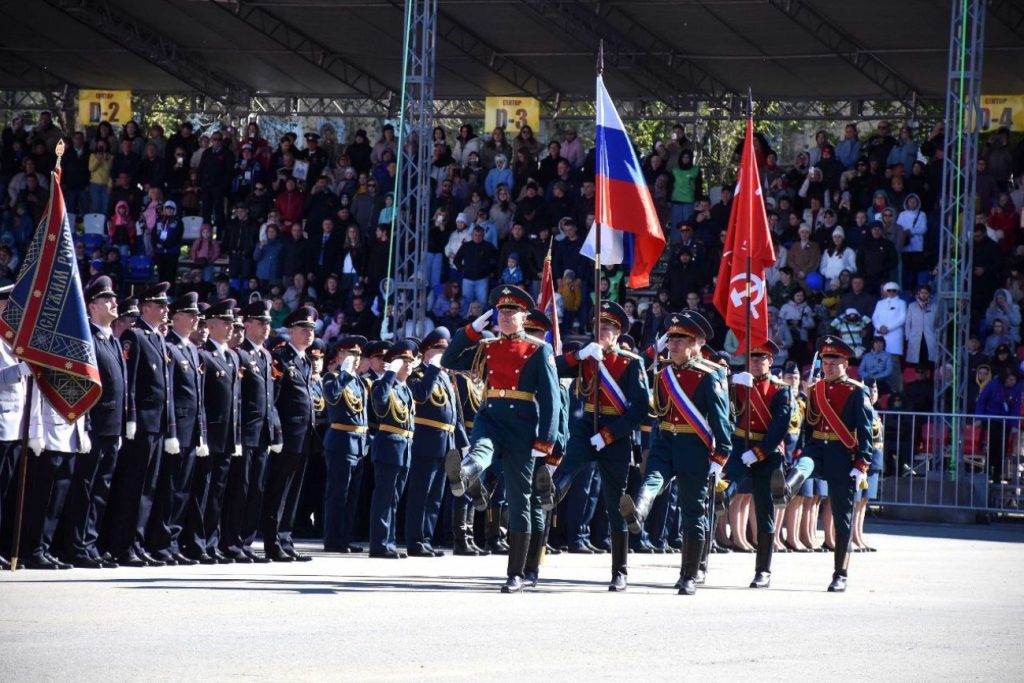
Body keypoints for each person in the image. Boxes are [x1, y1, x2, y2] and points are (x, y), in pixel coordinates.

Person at [442, 285, 559, 593]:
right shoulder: (488, 345)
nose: (505, 317)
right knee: (480, 449)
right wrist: (470, 330)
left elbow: (550, 401)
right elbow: (449, 359)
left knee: (520, 500)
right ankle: (464, 475)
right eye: (501, 311)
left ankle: (517, 572)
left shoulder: (538, 349)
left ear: (524, 316)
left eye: (512, 312)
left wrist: (544, 443)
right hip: (491, 415)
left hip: (521, 425)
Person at [619, 311, 732, 595]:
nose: (673, 344)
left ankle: (689, 575)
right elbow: (659, 413)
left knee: (693, 512)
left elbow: (721, 422)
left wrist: (719, 459)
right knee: (652, 480)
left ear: (697, 343)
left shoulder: (710, 376)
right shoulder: (664, 373)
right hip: (665, 442)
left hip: (695, 448)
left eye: (681, 339)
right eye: (671, 338)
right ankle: (638, 514)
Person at [540, 301, 648, 591]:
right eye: (599, 327)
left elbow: (640, 410)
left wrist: (610, 435)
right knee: (568, 467)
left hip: (615, 433)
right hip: (587, 424)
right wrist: (579, 354)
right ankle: (549, 494)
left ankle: (620, 570)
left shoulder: (631, 362)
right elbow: (552, 369)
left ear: (618, 332)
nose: (603, 332)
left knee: (615, 503)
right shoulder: (587, 357)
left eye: (609, 328)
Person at [782, 336, 873, 592]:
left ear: (845, 363)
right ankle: (787, 488)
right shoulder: (817, 388)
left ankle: (840, 573)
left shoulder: (856, 391)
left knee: (842, 517)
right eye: (825, 362)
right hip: (816, 447)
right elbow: (810, 424)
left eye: (834, 362)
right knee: (803, 464)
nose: (828, 367)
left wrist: (861, 463)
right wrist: (803, 445)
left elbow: (865, 431)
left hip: (842, 453)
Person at [107, 282, 180, 568]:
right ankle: (124, 544)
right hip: (142, 425)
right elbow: (132, 382)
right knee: (133, 486)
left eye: (166, 306)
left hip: (158, 424)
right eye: (160, 306)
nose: (165, 310)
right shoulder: (134, 336)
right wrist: (132, 418)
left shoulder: (159, 340)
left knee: (149, 488)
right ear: (146, 307)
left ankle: (137, 542)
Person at [61, 277, 125, 568]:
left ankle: (90, 544)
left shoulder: (111, 338)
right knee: (85, 489)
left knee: (101, 490)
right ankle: (76, 546)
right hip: (95, 426)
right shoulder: (87, 338)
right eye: (107, 300)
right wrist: (84, 425)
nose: (114, 303)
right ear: (92, 306)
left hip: (112, 427)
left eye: (114, 299)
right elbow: (81, 385)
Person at [721, 340, 793, 588]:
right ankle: (698, 564)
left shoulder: (781, 390)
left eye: (761, 359)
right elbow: (726, 409)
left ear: (770, 362)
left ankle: (763, 570)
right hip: (740, 446)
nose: (755, 363)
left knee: (764, 510)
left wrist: (760, 452)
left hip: (767, 452)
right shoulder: (740, 383)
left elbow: (779, 427)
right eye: (752, 358)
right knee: (723, 488)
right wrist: (731, 385)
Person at [264, 306, 319, 562]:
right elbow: (273, 400)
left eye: (311, 329)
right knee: (279, 490)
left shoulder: (306, 361)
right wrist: (275, 433)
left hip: (303, 436)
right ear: (291, 330)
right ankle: (273, 541)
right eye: (303, 329)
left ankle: (285, 539)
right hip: (286, 434)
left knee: (294, 490)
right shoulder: (281, 358)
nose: (309, 334)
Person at [232, 300, 280, 563]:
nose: (265, 327)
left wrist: (275, 432)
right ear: (247, 324)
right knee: (241, 487)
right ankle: (234, 540)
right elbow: (238, 400)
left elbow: (270, 399)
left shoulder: (266, 355)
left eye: (268, 323)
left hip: (262, 433)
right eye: (261, 322)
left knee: (256, 490)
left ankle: (247, 541)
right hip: (246, 432)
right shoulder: (240, 354)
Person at [367, 339, 419, 558]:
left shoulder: (405, 389)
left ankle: (389, 541)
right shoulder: (383, 384)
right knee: (384, 497)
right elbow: (379, 403)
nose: (407, 364)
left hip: (403, 447)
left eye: (409, 360)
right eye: (402, 360)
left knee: (394, 498)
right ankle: (379, 544)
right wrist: (390, 374)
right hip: (389, 446)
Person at [321, 336, 369, 553]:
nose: (356, 359)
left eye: (359, 355)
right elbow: (331, 397)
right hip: (341, 441)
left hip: (358, 443)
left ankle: (345, 537)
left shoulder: (358, 381)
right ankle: (333, 539)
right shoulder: (332, 377)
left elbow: (362, 413)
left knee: (352, 496)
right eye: (351, 354)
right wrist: (345, 374)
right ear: (339, 356)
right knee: (338, 494)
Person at [871, 282, 908, 390]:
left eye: (893, 290)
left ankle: (896, 391)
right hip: (880, 335)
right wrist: (879, 327)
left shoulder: (902, 303)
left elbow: (902, 318)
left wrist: (889, 328)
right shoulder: (880, 303)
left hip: (894, 337)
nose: (891, 293)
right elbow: (874, 317)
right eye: (889, 290)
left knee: (893, 364)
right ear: (885, 292)